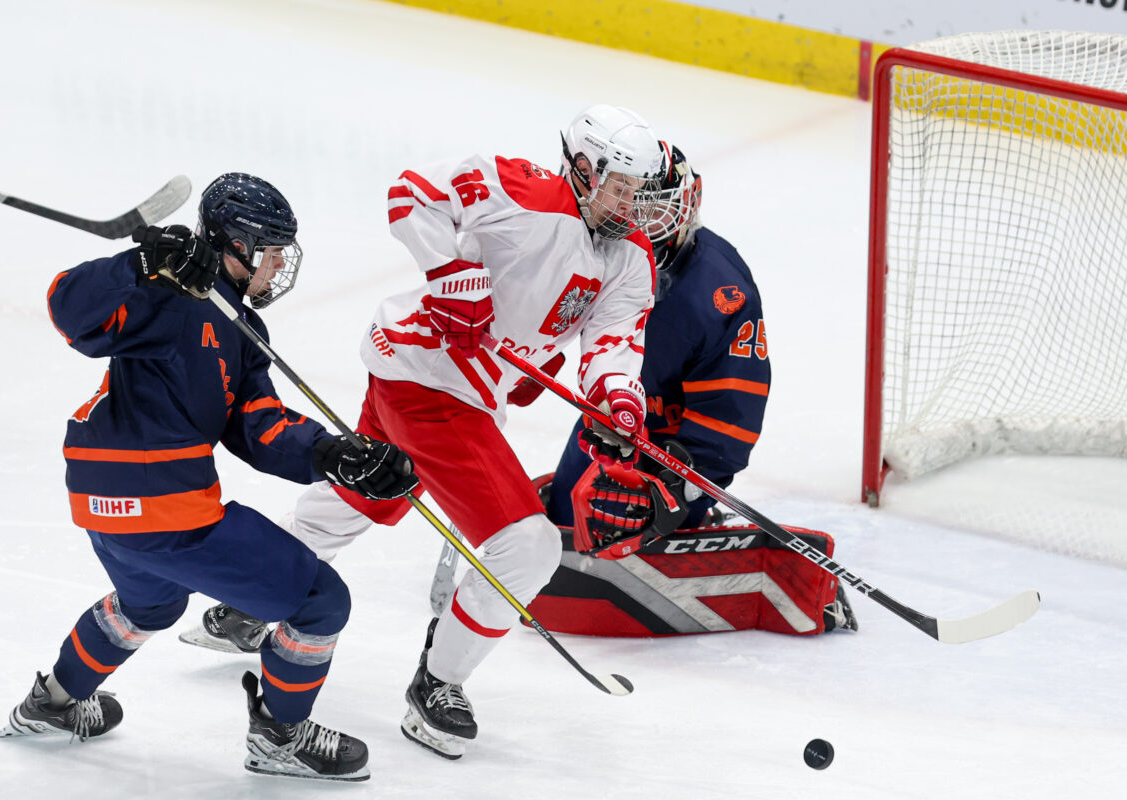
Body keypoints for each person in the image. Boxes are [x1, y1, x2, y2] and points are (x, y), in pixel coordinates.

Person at [182, 105, 666, 759]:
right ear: (583, 167)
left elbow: (614, 341)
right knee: (528, 548)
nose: (630, 203)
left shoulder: (630, 258)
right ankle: (437, 684)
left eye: (639, 190)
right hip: (430, 382)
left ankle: (252, 600)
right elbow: (412, 193)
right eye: (621, 185)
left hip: (445, 384)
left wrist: (618, 401)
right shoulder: (517, 189)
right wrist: (449, 272)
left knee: (368, 491)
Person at [0, 173, 418, 782]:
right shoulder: (166, 289)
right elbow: (69, 307)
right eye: (271, 251)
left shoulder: (240, 327)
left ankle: (54, 705)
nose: (278, 266)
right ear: (237, 245)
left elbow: (258, 424)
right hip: (162, 501)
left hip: (101, 497)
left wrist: (334, 456)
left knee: (151, 604)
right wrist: (140, 263)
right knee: (321, 601)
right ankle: (280, 738)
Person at [523, 143, 857, 635]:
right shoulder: (591, 251)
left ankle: (699, 519)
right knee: (569, 519)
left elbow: (733, 409)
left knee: (624, 523)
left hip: (676, 444)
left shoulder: (719, 291)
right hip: (609, 423)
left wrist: (678, 486)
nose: (640, 220)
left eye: (654, 208)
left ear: (687, 205)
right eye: (631, 202)